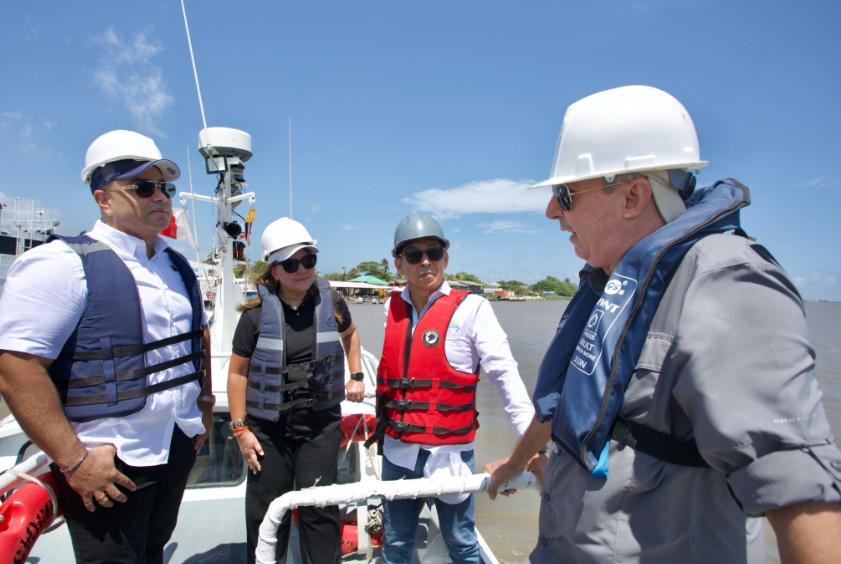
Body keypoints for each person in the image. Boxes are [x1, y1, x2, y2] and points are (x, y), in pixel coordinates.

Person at [486, 85, 841, 563]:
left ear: (633, 196)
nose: (552, 211)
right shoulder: (613, 286)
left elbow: (799, 491)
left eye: (565, 194)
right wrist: (519, 464)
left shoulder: (724, 282)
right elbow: (568, 407)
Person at [0, 129, 213, 563]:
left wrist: (204, 406)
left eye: (165, 187)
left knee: (152, 551)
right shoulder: (60, 265)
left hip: (175, 443)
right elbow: (16, 367)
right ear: (103, 199)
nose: (161, 197)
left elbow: (198, 336)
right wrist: (74, 460)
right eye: (144, 187)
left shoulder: (177, 266)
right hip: (108, 457)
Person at [373, 211, 534, 564]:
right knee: (395, 544)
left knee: (462, 542)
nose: (425, 262)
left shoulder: (473, 309)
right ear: (399, 264)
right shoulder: (390, 308)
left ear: (445, 257)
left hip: (451, 455)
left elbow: (506, 377)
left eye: (433, 252)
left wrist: (532, 444)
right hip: (398, 452)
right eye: (414, 255)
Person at [227, 216, 365, 564]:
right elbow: (238, 374)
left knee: (319, 508)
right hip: (268, 430)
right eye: (291, 264)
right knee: (266, 511)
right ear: (274, 270)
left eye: (309, 260)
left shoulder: (332, 303)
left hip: (319, 425)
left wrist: (357, 376)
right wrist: (241, 430)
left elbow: (351, 335)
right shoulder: (254, 317)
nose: (302, 269)